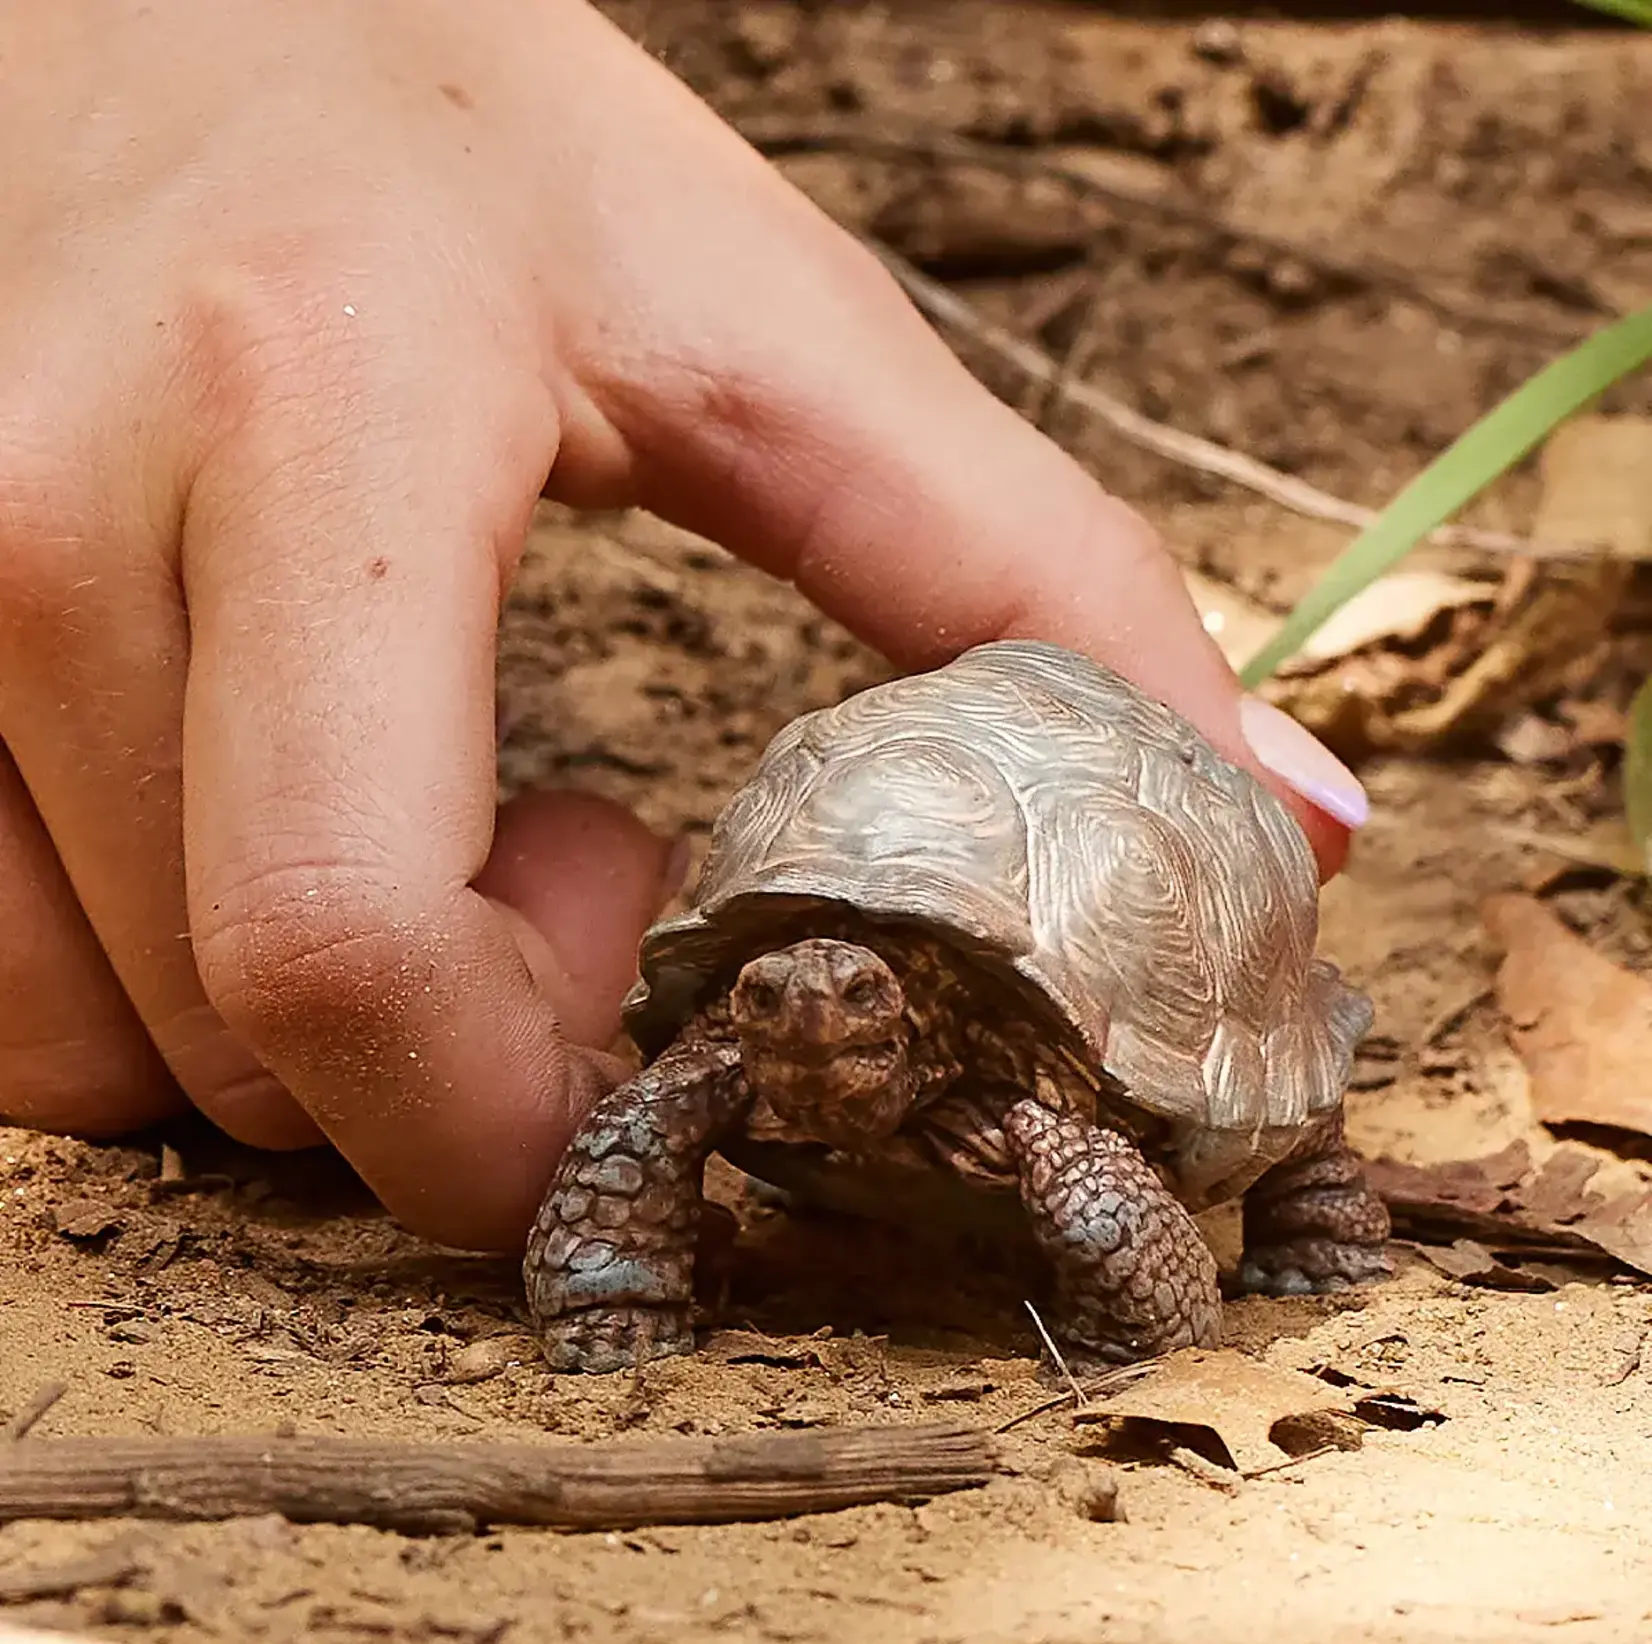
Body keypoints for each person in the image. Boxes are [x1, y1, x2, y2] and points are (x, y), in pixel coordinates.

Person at [0, 0, 1367, 1254]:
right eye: (768, 997)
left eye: (840, 1002)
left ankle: (1319, 1212)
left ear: (907, 1020)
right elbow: (645, 1117)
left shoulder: (1041, 1108)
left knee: (1110, 1193)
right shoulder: (735, 1049)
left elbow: (1107, 1190)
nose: (804, 1019)